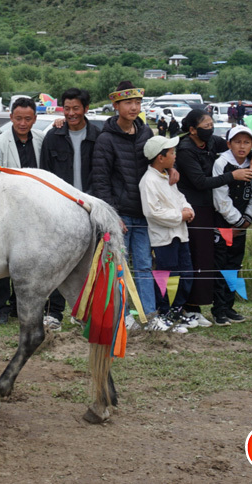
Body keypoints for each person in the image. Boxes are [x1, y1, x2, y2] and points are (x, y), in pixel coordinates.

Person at [174, 109, 252, 327]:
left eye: (211, 125)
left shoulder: (213, 142)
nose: (210, 129)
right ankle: (191, 307)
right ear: (192, 130)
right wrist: (232, 176)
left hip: (211, 208)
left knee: (211, 260)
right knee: (198, 258)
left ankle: (217, 305)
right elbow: (200, 182)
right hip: (194, 208)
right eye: (205, 126)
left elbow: (238, 145)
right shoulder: (185, 150)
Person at [90, 81, 157, 323]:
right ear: (116, 105)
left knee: (144, 266)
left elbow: (157, 163)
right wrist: (112, 216)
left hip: (144, 212)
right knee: (118, 267)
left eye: (137, 102)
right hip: (120, 214)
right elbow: (101, 180)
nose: (134, 107)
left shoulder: (146, 132)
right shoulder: (106, 139)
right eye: (128, 102)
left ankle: (148, 314)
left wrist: (171, 170)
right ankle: (121, 314)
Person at [39, 87, 100, 331]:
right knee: (58, 262)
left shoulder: (98, 136)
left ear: (86, 109)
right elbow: (45, 173)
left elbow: (103, 173)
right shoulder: (53, 137)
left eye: (76, 108)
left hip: (91, 207)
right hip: (61, 209)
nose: (71, 113)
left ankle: (82, 311)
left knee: (89, 263)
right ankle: (54, 313)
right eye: (67, 108)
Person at [0, 97, 44, 324]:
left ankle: (21, 304)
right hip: (7, 210)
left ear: (35, 119)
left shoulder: (42, 139)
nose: (22, 123)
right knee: (3, 260)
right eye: (18, 118)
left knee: (28, 260)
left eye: (28, 119)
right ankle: (1, 306)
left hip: (35, 209)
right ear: (11, 117)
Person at [139, 135, 194, 333]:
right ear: (160, 157)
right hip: (163, 238)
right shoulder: (149, 182)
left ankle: (177, 310)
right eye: (171, 153)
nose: (175, 156)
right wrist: (180, 215)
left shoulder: (167, 177)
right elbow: (153, 213)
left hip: (180, 234)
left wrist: (187, 209)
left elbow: (180, 197)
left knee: (185, 274)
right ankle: (164, 313)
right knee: (167, 276)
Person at [210, 126, 252, 326]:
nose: (242, 146)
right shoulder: (222, 163)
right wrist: (237, 221)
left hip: (242, 223)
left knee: (234, 266)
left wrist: (247, 219)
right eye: (238, 142)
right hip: (223, 223)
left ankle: (229, 307)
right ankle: (218, 310)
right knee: (220, 266)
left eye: (247, 142)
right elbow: (220, 198)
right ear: (229, 144)